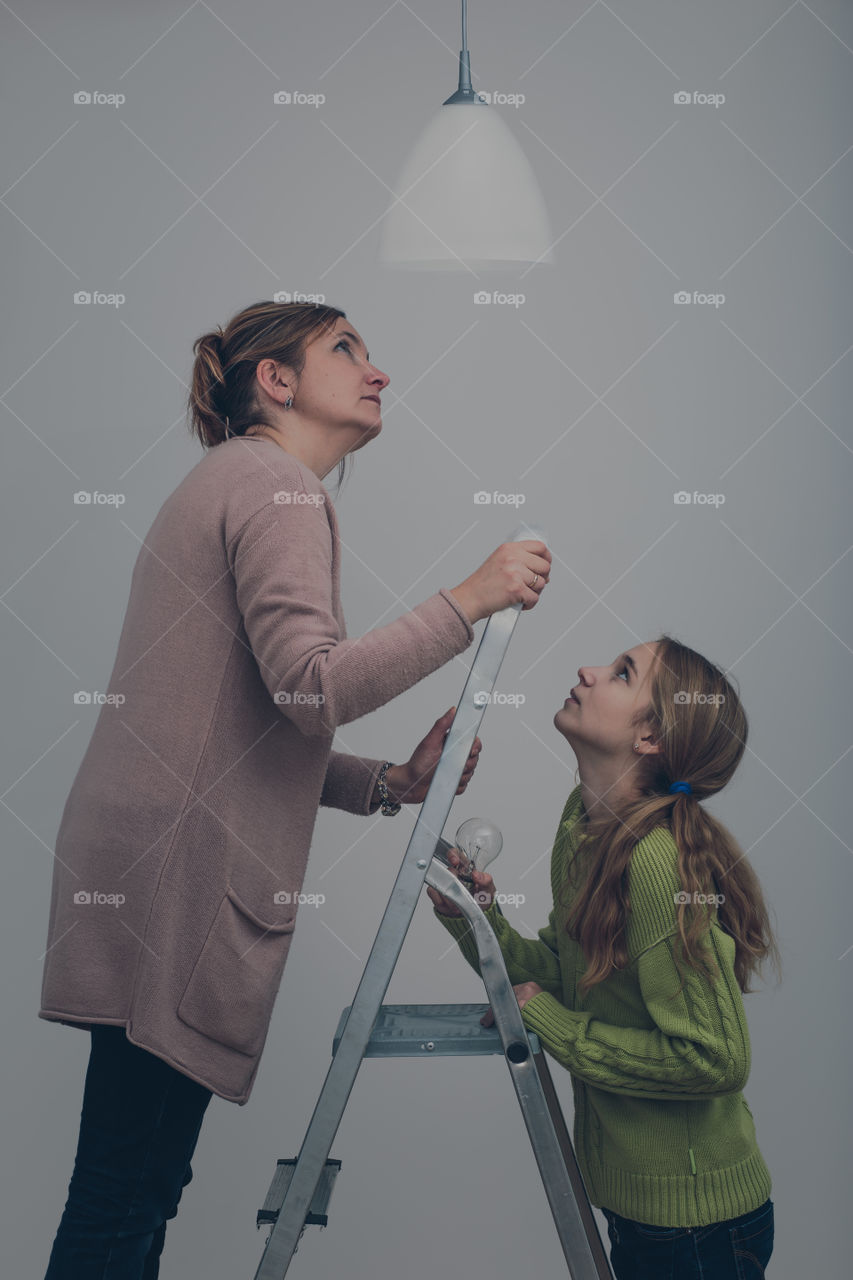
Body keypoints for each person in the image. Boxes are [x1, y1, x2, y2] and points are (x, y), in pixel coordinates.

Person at [39, 299, 552, 1279]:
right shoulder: (273, 485)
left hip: (153, 861)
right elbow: (310, 686)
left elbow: (232, 726)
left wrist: (388, 783)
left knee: (133, 1181)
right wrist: (471, 597)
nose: (378, 371)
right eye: (347, 349)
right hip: (174, 876)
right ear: (275, 380)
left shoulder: (244, 481)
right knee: (125, 1191)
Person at [429, 635, 781, 1280]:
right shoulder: (582, 827)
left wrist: (554, 1025)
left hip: (698, 1228)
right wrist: (477, 921)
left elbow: (716, 1058)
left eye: (621, 674)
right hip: (638, 1207)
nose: (587, 670)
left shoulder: (656, 863)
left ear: (651, 737)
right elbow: (571, 977)